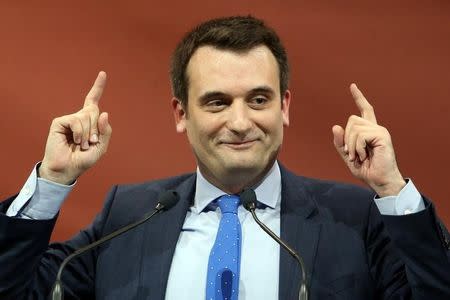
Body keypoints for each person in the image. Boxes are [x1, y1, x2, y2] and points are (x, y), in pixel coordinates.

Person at [1, 15, 449, 300]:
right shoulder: (128, 215)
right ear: (182, 113)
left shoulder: (353, 218)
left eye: (258, 99)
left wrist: (392, 189)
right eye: (216, 102)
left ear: (284, 107)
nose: (240, 122)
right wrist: (52, 181)